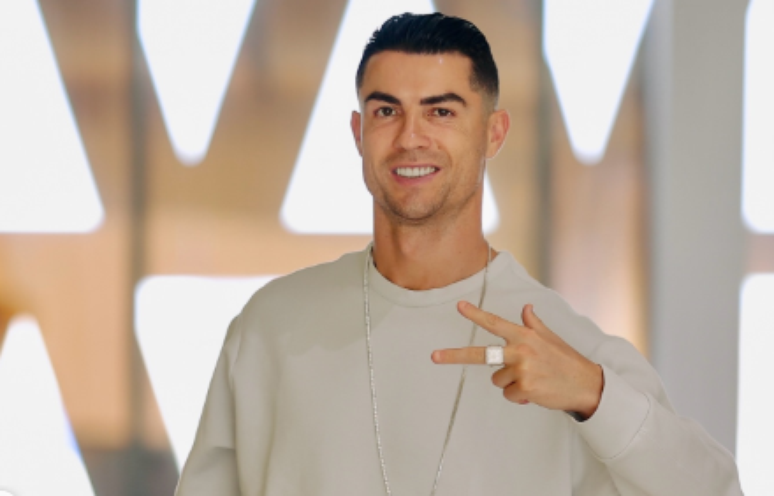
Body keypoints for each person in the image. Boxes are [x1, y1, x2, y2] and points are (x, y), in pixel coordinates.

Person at [175, 13, 742, 495]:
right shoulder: (271, 328)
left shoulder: (567, 352)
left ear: (494, 133)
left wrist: (595, 396)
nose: (410, 137)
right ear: (357, 132)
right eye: (386, 111)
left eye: (441, 112)